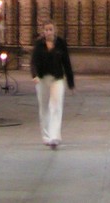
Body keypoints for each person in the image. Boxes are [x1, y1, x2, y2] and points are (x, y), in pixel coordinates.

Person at [30, 20, 75, 149]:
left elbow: (66, 63)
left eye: (51, 29)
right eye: (46, 30)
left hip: (57, 77)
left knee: (55, 105)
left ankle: (55, 135)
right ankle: (46, 135)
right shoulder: (39, 44)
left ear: (55, 30)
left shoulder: (61, 43)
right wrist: (34, 75)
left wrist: (70, 82)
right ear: (43, 31)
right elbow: (33, 61)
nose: (48, 32)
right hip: (43, 78)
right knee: (44, 106)